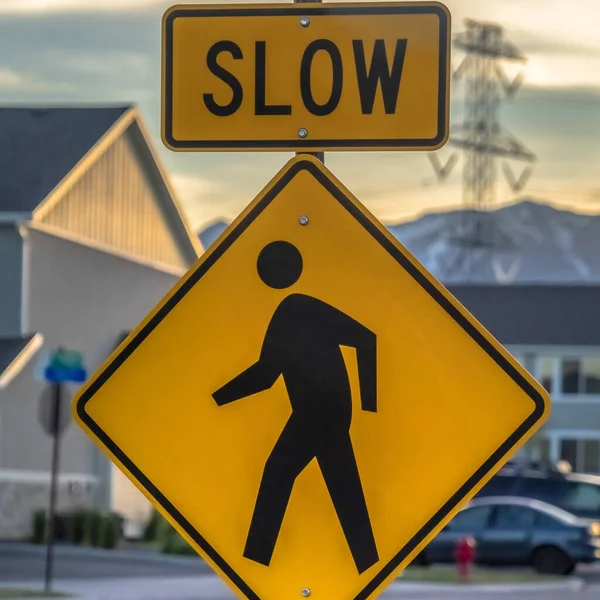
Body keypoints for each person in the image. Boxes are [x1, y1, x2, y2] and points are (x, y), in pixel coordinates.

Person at [213, 240, 379, 574]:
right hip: (315, 414)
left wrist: (369, 405)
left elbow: (366, 339)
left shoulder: (301, 308)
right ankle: (367, 562)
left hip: (322, 413)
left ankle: (257, 561)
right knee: (341, 488)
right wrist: (215, 399)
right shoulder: (285, 314)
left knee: (278, 474)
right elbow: (265, 375)